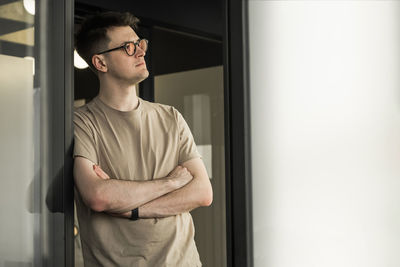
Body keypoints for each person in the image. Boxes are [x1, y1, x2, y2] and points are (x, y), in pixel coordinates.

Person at [73, 11, 213, 267]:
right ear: (100, 63)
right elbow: (98, 196)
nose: (140, 52)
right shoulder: (82, 122)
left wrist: (132, 209)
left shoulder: (171, 117)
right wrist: (171, 183)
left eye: (141, 44)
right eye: (128, 47)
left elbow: (202, 193)